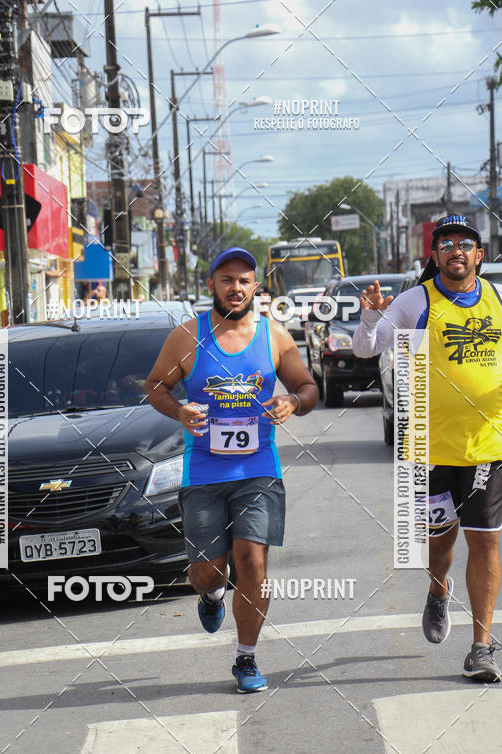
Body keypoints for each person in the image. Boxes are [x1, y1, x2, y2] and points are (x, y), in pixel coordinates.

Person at [145, 247, 318, 692]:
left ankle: (246, 658)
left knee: (253, 563)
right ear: (212, 286)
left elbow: (307, 386)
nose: (236, 288)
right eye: (227, 279)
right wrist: (180, 411)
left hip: (259, 470)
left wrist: (293, 401)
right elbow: (156, 385)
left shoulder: (274, 336)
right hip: (203, 472)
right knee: (208, 571)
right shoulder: (188, 336)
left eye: (244, 280)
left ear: (255, 286)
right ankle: (212, 593)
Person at [353, 214, 502, 682]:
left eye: (466, 242)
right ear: (434, 255)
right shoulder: (416, 301)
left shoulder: (498, 299)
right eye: (446, 243)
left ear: (479, 254)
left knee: (487, 540)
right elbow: (364, 350)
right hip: (430, 448)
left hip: (485, 446)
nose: (456, 249)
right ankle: (438, 590)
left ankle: (481, 646)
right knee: (440, 545)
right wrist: (372, 315)